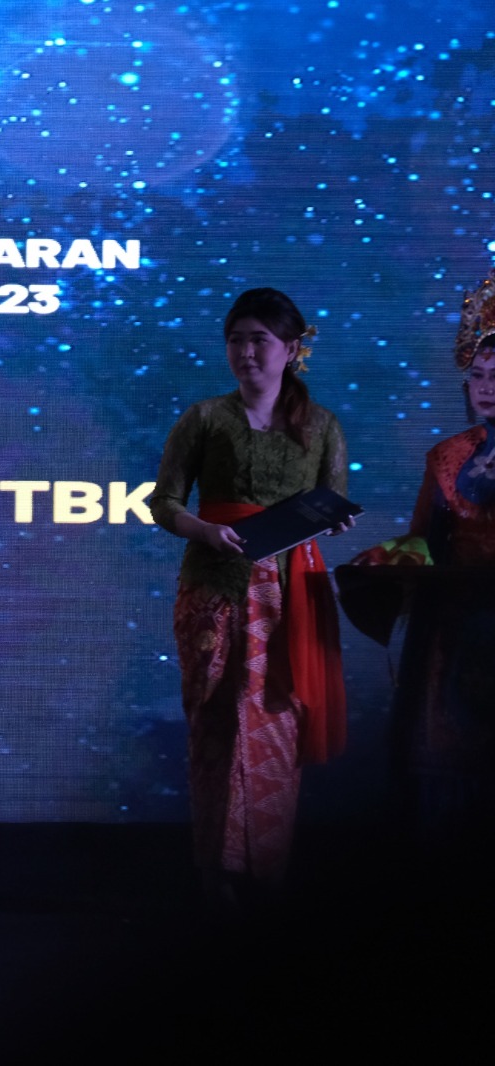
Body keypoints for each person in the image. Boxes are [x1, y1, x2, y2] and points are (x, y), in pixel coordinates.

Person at [149, 287, 352, 907]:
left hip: (290, 594)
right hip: (214, 589)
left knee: (275, 722)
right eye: (236, 340)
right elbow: (163, 502)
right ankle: (216, 875)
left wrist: (334, 521)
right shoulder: (205, 418)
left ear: (291, 349)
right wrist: (205, 530)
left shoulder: (321, 426)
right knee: (216, 720)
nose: (246, 352)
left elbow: (332, 501)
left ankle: (266, 874)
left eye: (259, 340)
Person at [350, 269, 495, 846]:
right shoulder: (450, 455)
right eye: (478, 375)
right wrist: (386, 557)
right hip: (455, 626)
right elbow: (426, 541)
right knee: (450, 759)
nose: (486, 387)